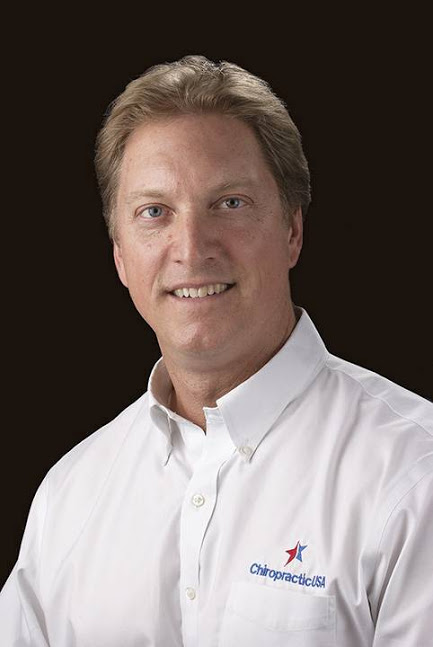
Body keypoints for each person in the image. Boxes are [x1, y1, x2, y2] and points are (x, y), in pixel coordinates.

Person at [0, 55, 432, 647]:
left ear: (292, 231)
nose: (191, 247)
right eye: (154, 212)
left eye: (229, 203)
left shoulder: (413, 475)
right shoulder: (68, 496)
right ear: (121, 255)